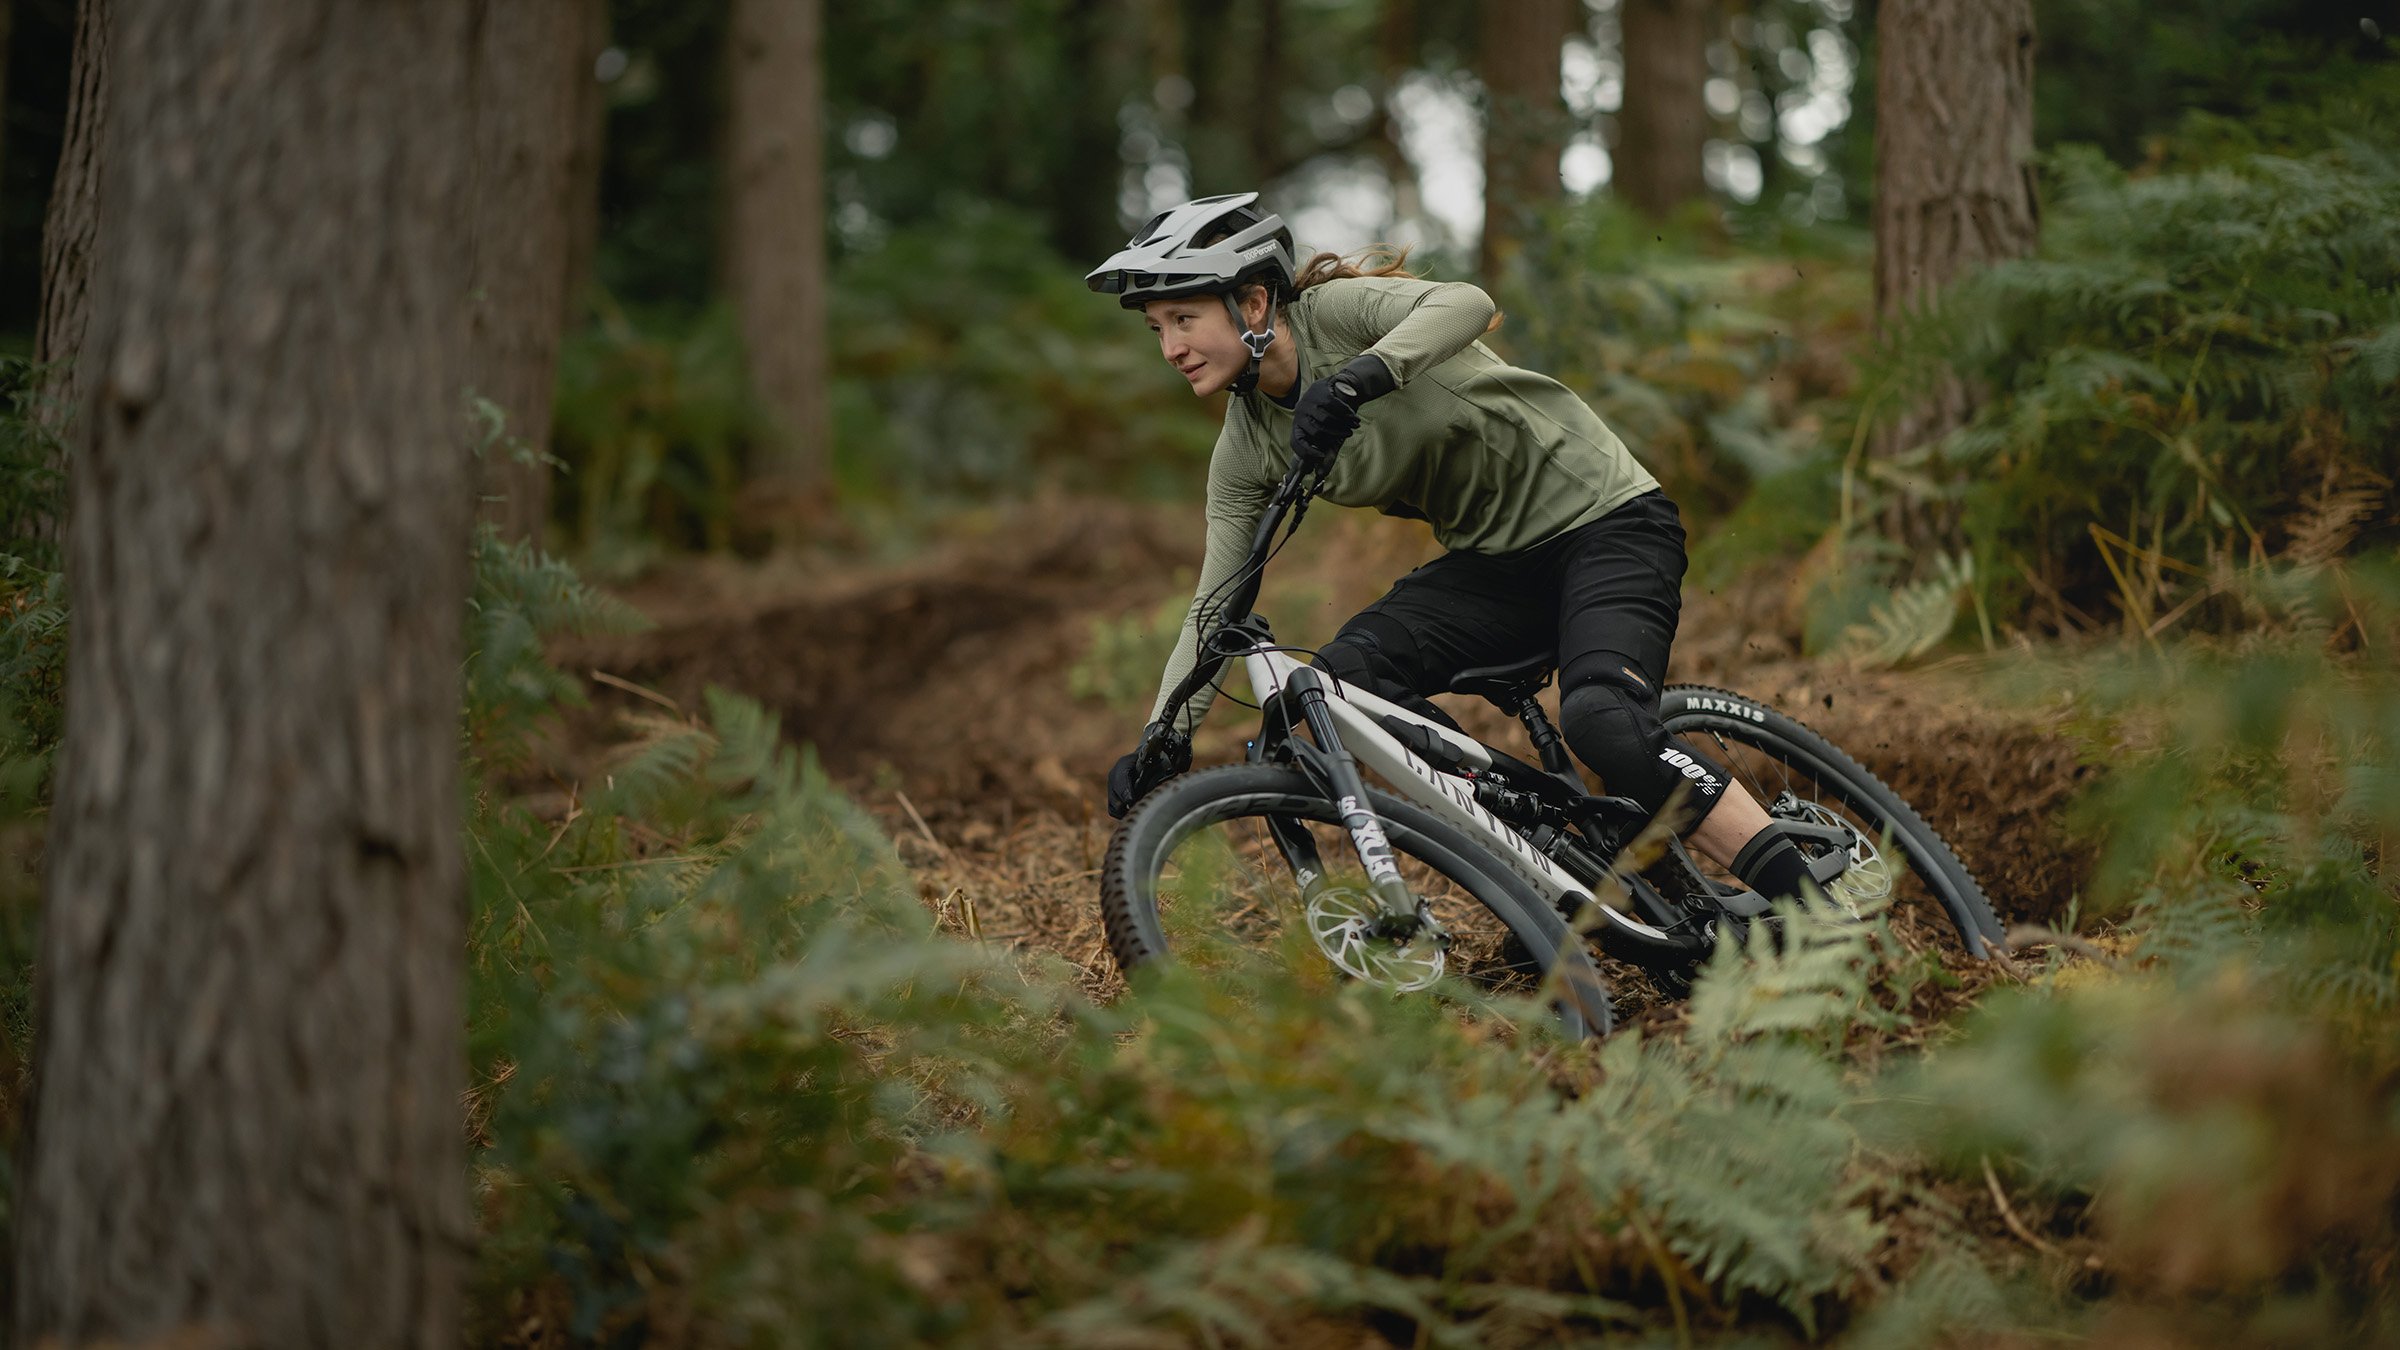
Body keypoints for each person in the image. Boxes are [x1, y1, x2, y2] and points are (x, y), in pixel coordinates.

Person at [1087, 192, 1808, 902]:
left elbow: (1464, 302)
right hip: (1496, 565)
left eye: (1184, 319)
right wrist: (1165, 736)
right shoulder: (1244, 451)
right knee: (1343, 683)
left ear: (1251, 304)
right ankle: (1556, 857)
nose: (1171, 348)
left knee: (1603, 720)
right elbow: (1217, 603)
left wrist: (1358, 379)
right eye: (1157, 328)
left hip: (1607, 521)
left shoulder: (1334, 316)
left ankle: (1818, 917)